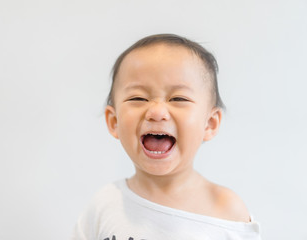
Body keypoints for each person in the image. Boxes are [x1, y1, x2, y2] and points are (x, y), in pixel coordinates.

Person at [71, 34, 261, 239]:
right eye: (138, 98)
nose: (157, 112)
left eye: (178, 98)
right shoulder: (105, 205)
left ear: (209, 123)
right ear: (114, 121)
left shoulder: (227, 210)